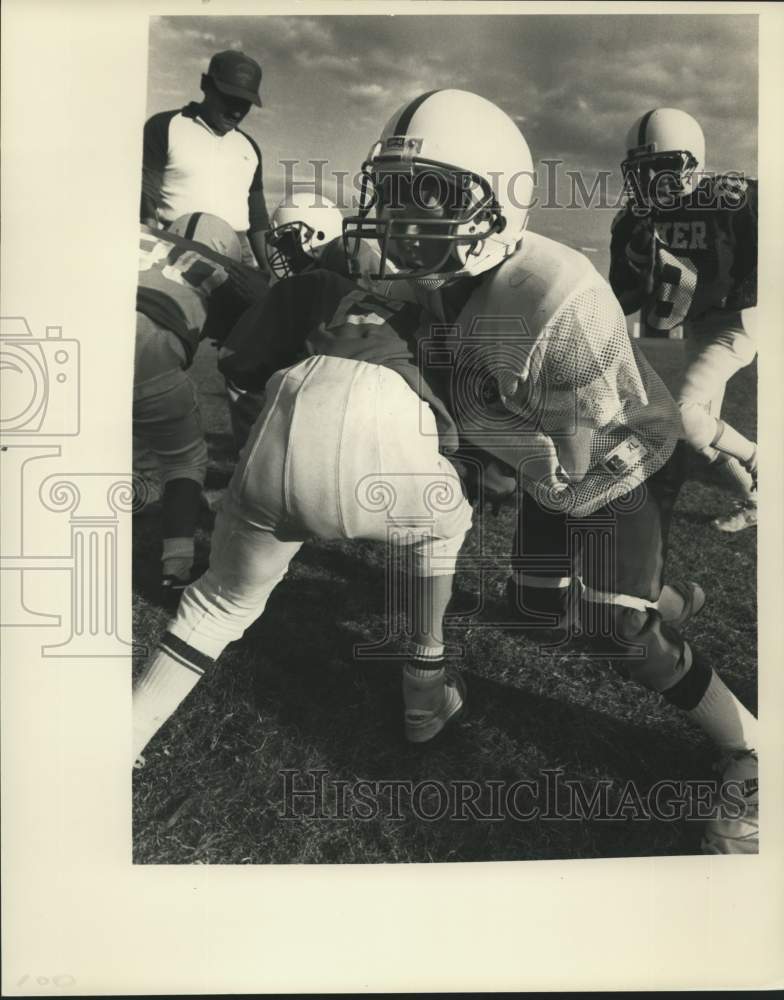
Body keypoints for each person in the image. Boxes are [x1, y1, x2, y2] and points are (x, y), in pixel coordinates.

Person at [340, 89, 757, 854]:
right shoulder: (437, 279)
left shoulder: (555, 298)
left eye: (431, 195)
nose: (402, 221)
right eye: (394, 193)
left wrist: (472, 445)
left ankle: (751, 747)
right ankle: (666, 593)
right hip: (546, 459)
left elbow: (578, 450)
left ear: (499, 201)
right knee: (532, 611)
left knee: (616, 631)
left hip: (618, 459)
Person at [132, 269, 474, 762]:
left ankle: (126, 735)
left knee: (218, 605)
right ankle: (424, 686)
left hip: (299, 402)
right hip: (392, 427)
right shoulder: (471, 294)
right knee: (443, 530)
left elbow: (241, 364)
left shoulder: (321, 283)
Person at [610, 108, 758, 532]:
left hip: (742, 317)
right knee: (695, 440)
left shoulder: (735, 199)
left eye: (662, 169)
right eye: (642, 172)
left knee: (684, 415)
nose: (651, 183)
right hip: (698, 325)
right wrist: (636, 263)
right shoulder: (636, 219)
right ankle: (757, 499)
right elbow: (621, 298)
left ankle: (762, 462)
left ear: (694, 163)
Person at [134, 212, 263, 596]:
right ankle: (176, 566)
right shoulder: (220, 269)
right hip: (151, 349)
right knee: (184, 461)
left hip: (76, 335)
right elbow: (253, 320)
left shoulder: (129, 231)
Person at [140, 50, 270, 270]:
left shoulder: (250, 147)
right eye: (230, 99)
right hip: (173, 247)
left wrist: (268, 271)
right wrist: (149, 254)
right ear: (206, 85)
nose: (237, 113)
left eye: (245, 103)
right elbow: (145, 196)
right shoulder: (164, 127)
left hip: (238, 254)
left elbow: (257, 218)